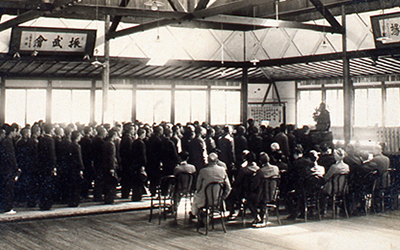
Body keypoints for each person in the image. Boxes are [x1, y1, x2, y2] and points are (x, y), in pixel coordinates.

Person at [190, 153, 231, 223]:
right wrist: (222, 198)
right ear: (217, 160)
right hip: (217, 200)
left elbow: (198, 187)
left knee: (196, 198)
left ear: (208, 161)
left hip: (205, 200)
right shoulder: (222, 170)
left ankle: (200, 215)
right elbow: (228, 187)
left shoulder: (203, 171)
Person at [37, 123, 57, 210]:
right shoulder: (50, 140)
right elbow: (52, 155)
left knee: (42, 184)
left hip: (41, 165)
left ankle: (42, 203)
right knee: (48, 185)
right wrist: (53, 166)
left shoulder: (40, 139)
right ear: (51, 130)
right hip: (48, 166)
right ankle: (47, 204)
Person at [0, 126, 18, 214]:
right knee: (8, 188)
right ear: (12, 131)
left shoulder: (5, 141)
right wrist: (16, 167)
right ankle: (7, 208)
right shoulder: (8, 142)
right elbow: (11, 157)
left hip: (4, 169)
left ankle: (5, 207)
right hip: (8, 169)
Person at [65, 131, 84, 207]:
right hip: (76, 168)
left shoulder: (69, 144)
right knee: (76, 185)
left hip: (70, 168)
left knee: (71, 185)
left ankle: (70, 201)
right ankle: (75, 201)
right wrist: (81, 168)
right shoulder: (77, 146)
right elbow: (79, 158)